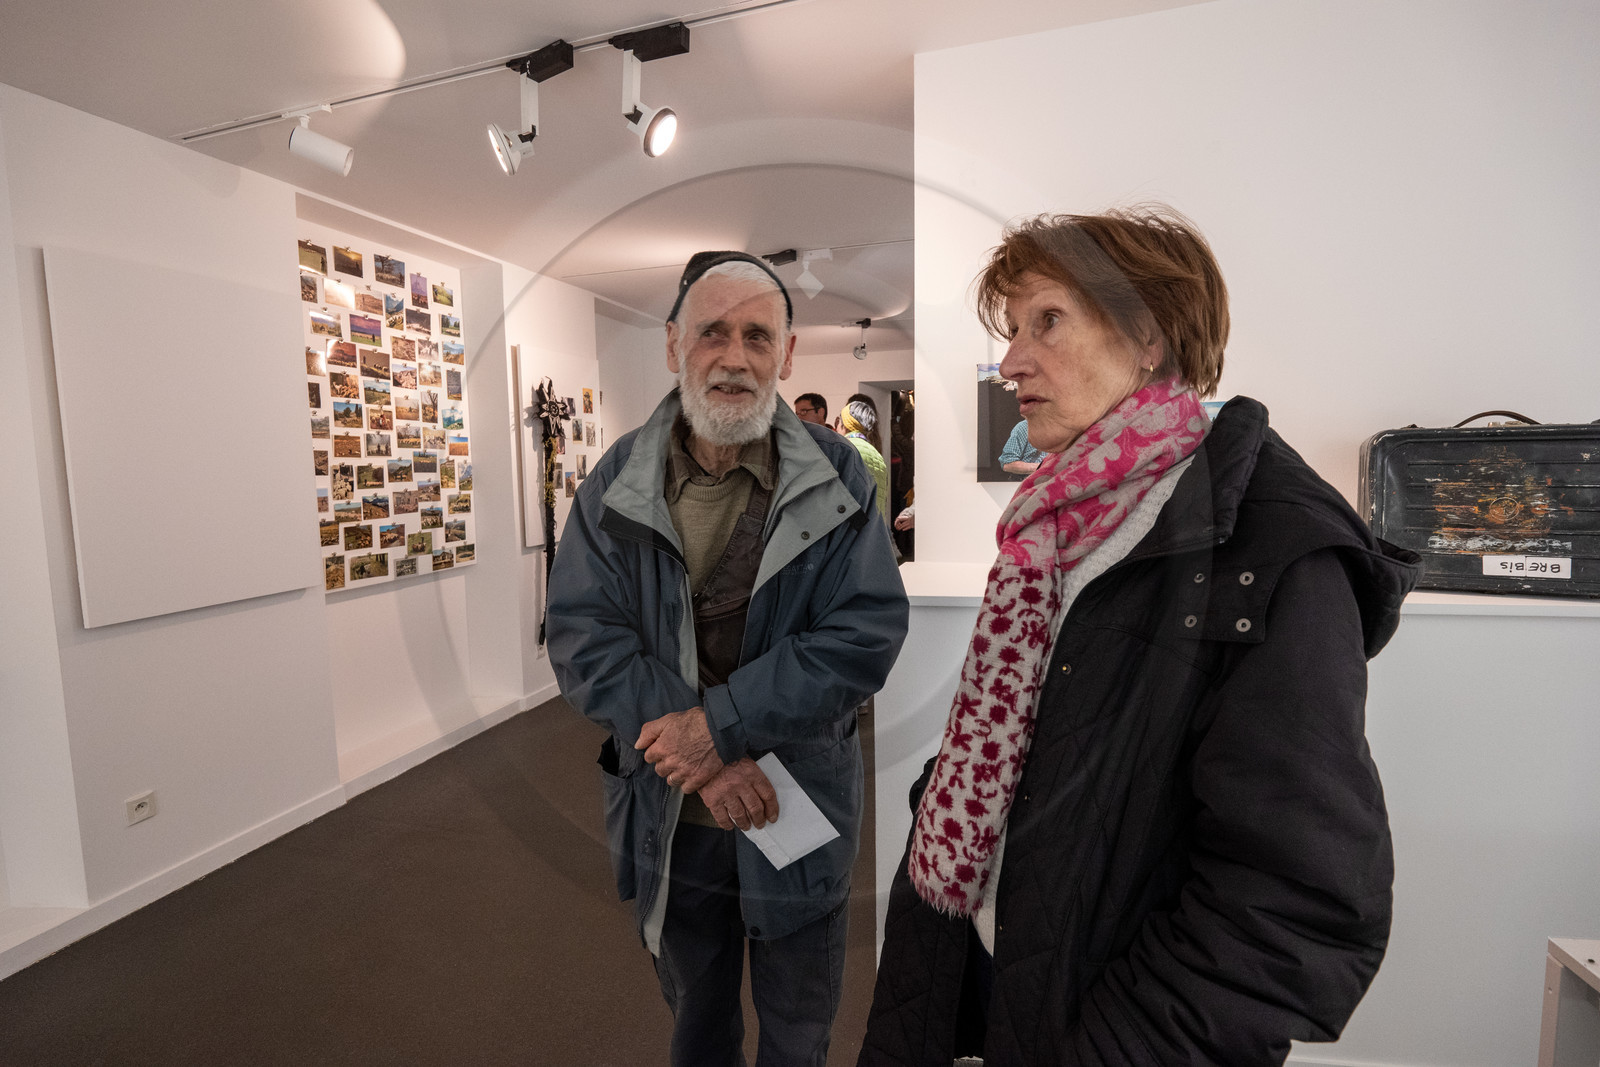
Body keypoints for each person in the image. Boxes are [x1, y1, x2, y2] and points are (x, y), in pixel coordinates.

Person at [858, 207, 1420, 1066]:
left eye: (1048, 320)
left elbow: (1296, 901)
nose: (1010, 362)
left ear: (1148, 335)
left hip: (1098, 1018)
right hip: (973, 964)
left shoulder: (1268, 544)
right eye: (1014, 329)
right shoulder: (1057, 519)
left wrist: (1113, 1047)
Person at [546, 250, 909, 1067]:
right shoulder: (616, 479)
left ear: (787, 354)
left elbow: (864, 631)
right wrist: (705, 758)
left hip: (797, 808)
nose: (734, 356)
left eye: (757, 335)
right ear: (674, 343)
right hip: (671, 814)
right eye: (712, 331)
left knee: (798, 1029)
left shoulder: (838, 474)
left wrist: (718, 726)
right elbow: (582, 633)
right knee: (697, 1027)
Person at [840, 399, 890, 526]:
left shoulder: (846, 449)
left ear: (844, 425)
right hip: (875, 527)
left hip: (852, 529)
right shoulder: (876, 454)